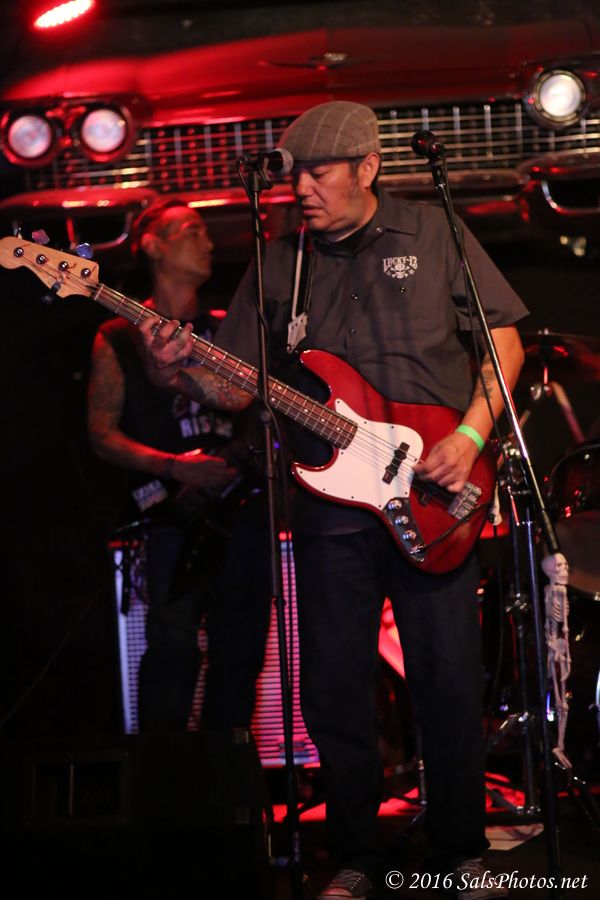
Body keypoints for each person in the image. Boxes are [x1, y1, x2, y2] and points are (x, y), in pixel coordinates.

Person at [139, 102, 527, 899]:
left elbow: (505, 343)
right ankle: (356, 857)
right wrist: (174, 366)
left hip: (435, 488)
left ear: (368, 168)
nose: (303, 190)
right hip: (327, 505)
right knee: (333, 684)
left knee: (448, 679)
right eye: (296, 177)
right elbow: (234, 388)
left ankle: (460, 851)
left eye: (320, 173)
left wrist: (469, 438)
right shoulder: (282, 262)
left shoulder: (432, 232)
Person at [88, 197, 270, 734]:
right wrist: (175, 468)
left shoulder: (228, 331)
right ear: (152, 245)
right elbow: (101, 434)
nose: (207, 241)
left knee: (242, 653)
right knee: (173, 652)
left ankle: (227, 779)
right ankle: (165, 778)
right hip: (172, 518)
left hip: (241, 513)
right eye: (191, 230)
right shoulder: (117, 335)